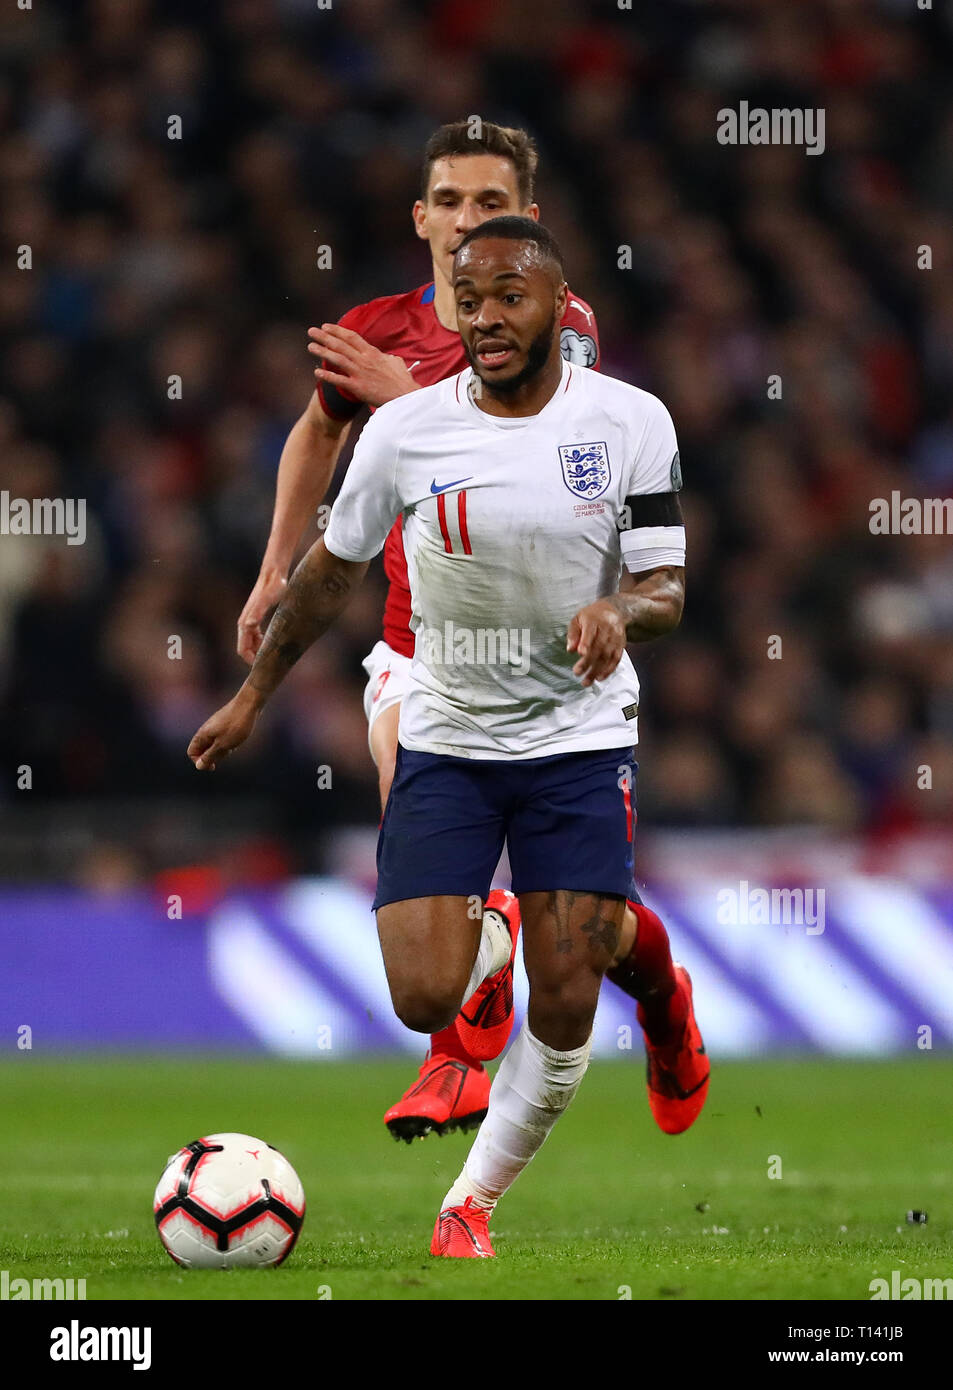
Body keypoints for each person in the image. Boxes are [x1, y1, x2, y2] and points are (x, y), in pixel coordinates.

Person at [189, 217, 701, 1256]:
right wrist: (253, 695)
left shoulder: (630, 421)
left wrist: (620, 613)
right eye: (469, 300)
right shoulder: (406, 430)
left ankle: (467, 1203)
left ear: (559, 303)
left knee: (560, 1003)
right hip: (448, 734)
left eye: (509, 295)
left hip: (575, 737)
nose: (486, 317)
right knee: (426, 990)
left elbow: (665, 584)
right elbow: (330, 573)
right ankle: (586, 942)